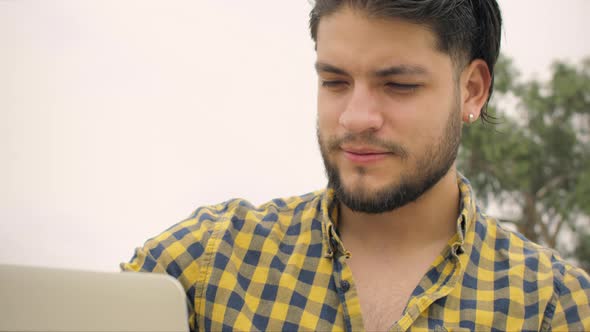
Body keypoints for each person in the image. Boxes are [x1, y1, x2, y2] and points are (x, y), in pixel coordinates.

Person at [122, 1, 590, 331]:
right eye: (334, 81)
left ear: (471, 90)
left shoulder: (556, 307)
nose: (355, 117)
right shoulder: (207, 263)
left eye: (399, 85)